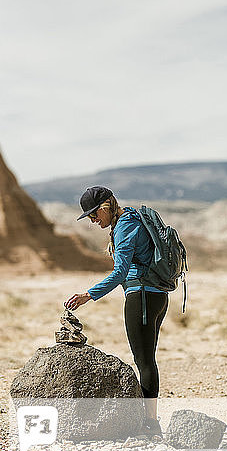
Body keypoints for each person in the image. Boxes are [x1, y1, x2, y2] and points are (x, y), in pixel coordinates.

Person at [64, 185, 168, 437]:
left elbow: (120, 272)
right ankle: (149, 420)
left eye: (93, 215)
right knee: (147, 359)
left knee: (144, 360)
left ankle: (150, 424)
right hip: (156, 296)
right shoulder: (130, 219)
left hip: (141, 296)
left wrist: (88, 295)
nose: (93, 220)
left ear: (105, 207)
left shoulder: (124, 226)